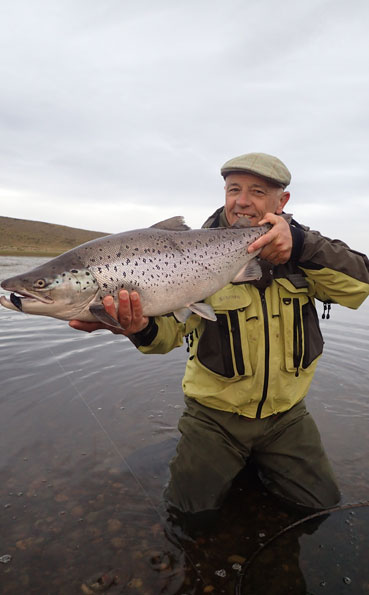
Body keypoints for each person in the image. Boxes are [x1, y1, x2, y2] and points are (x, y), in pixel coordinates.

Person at [70, 152, 369, 527]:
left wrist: (301, 245)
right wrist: (138, 327)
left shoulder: (306, 249)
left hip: (288, 418)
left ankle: (253, 465)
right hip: (214, 419)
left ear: (282, 201)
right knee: (188, 517)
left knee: (320, 509)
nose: (242, 201)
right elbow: (166, 338)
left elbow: (360, 286)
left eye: (257, 191)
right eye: (234, 189)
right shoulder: (187, 253)